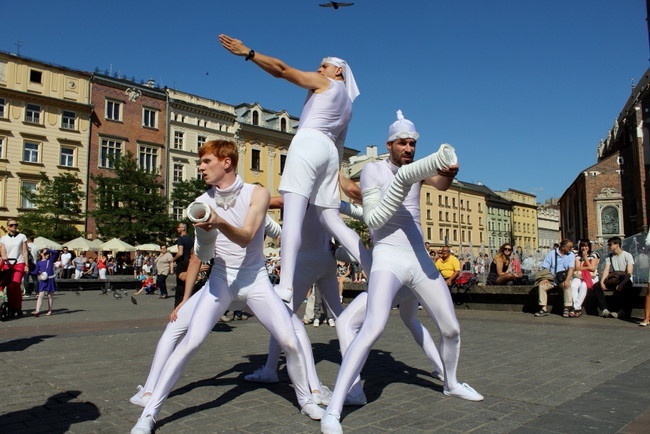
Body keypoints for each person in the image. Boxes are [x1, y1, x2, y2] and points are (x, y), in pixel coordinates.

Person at [130, 140, 322, 434]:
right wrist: (186, 297)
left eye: (206, 161)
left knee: (290, 340)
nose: (201, 167)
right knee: (190, 341)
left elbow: (246, 237)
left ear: (226, 162)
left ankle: (307, 399)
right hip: (221, 279)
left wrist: (218, 222)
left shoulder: (256, 192)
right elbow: (200, 254)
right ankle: (149, 414)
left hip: (255, 280)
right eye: (201, 162)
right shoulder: (201, 202)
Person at [321, 110, 482, 434]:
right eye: (403, 143)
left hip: (419, 257)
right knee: (373, 327)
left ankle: (450, 382)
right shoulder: (373, 171)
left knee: (451, 329)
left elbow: (441, 182)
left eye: (412, 143)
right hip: (388, 256)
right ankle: (334, 409)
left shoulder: (417, 170)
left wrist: (451, 172)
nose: (409, 148)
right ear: (390, 144)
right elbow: (373, 217)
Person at [219, 34, 371, 304]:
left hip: (309, 141)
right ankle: (371, 267)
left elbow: (282, 71)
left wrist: (248, 52)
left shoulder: (326, 83)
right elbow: (338, 146)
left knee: (293, 212)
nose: (318, 69)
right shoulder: (348, 105)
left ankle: (286, 284)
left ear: (338, 71)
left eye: (323, 66)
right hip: (328, 153)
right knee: (331, 219)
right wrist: (341, 179)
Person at [592, 236, 635, 319]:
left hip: (624, 279)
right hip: (615, 279)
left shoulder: (627, 255)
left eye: (610, 245)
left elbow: (629, 273)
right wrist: (602, 282)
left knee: (628, 286)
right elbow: (606, 270)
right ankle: (604, 309)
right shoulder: (609, 256)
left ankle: (623, 311)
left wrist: (622, 284)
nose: (608, 246)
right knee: (596, 286)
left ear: (617, 245)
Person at [533, 239, 575, 318]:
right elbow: (545, 268)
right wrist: (544, 278)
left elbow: (571, 269)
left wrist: (567, 280)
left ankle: (567, 307)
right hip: (552, 279)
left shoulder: (571, 255)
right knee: (542, 286)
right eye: (570, 247)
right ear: (563, 247)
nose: (571, 248)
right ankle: (543, 308)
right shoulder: (551, 254)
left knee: (567, 285)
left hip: (563, 279)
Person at [0, 218, 29, 316]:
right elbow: (3, 250)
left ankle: (17, 307)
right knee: (9, 286)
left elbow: (24, 251)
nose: (14, 227)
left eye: (16, 225)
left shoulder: (22, 236)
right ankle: (11, 306)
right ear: (8, 227)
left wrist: (26, 265)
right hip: (7, 263)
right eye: (11, 225)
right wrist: (4, 257)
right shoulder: (4, 238)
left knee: (15, 284)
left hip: (19, 263)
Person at [569, 239, 599, 318]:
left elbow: (592, 269)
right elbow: (578, 268)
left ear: (589, 246)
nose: (584, 248)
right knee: (573, 285)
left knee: (583, 285)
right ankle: (578, 309)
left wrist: (585, 258)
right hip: (580, 276)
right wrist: (587, 267)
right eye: (582, 246)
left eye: (586, 246)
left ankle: (574, 308)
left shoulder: (594, 254)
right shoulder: (577, 255)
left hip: (591, 276)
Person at [172, 223, 195, 306]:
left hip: (183, 264)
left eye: (179, 227)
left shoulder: (181, 239)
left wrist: (173, 259)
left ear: (184, 229)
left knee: (180, 288)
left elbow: (180, 253)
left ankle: (178, 308)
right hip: (192, 263)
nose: (177, 228)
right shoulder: (192, 239)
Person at [31, 248, 59, 317]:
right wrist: (28, 272)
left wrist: (48, 250)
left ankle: (50, 310)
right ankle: (37, 310)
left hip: (50, 279)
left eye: (48, 254)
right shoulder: (39, 263)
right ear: (41, 254)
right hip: (43, 280)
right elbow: (36, 272)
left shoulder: (50, 260)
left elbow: (55, 252)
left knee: (50, 295)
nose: (47, 255)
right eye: (45, 253)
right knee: (41, 295)